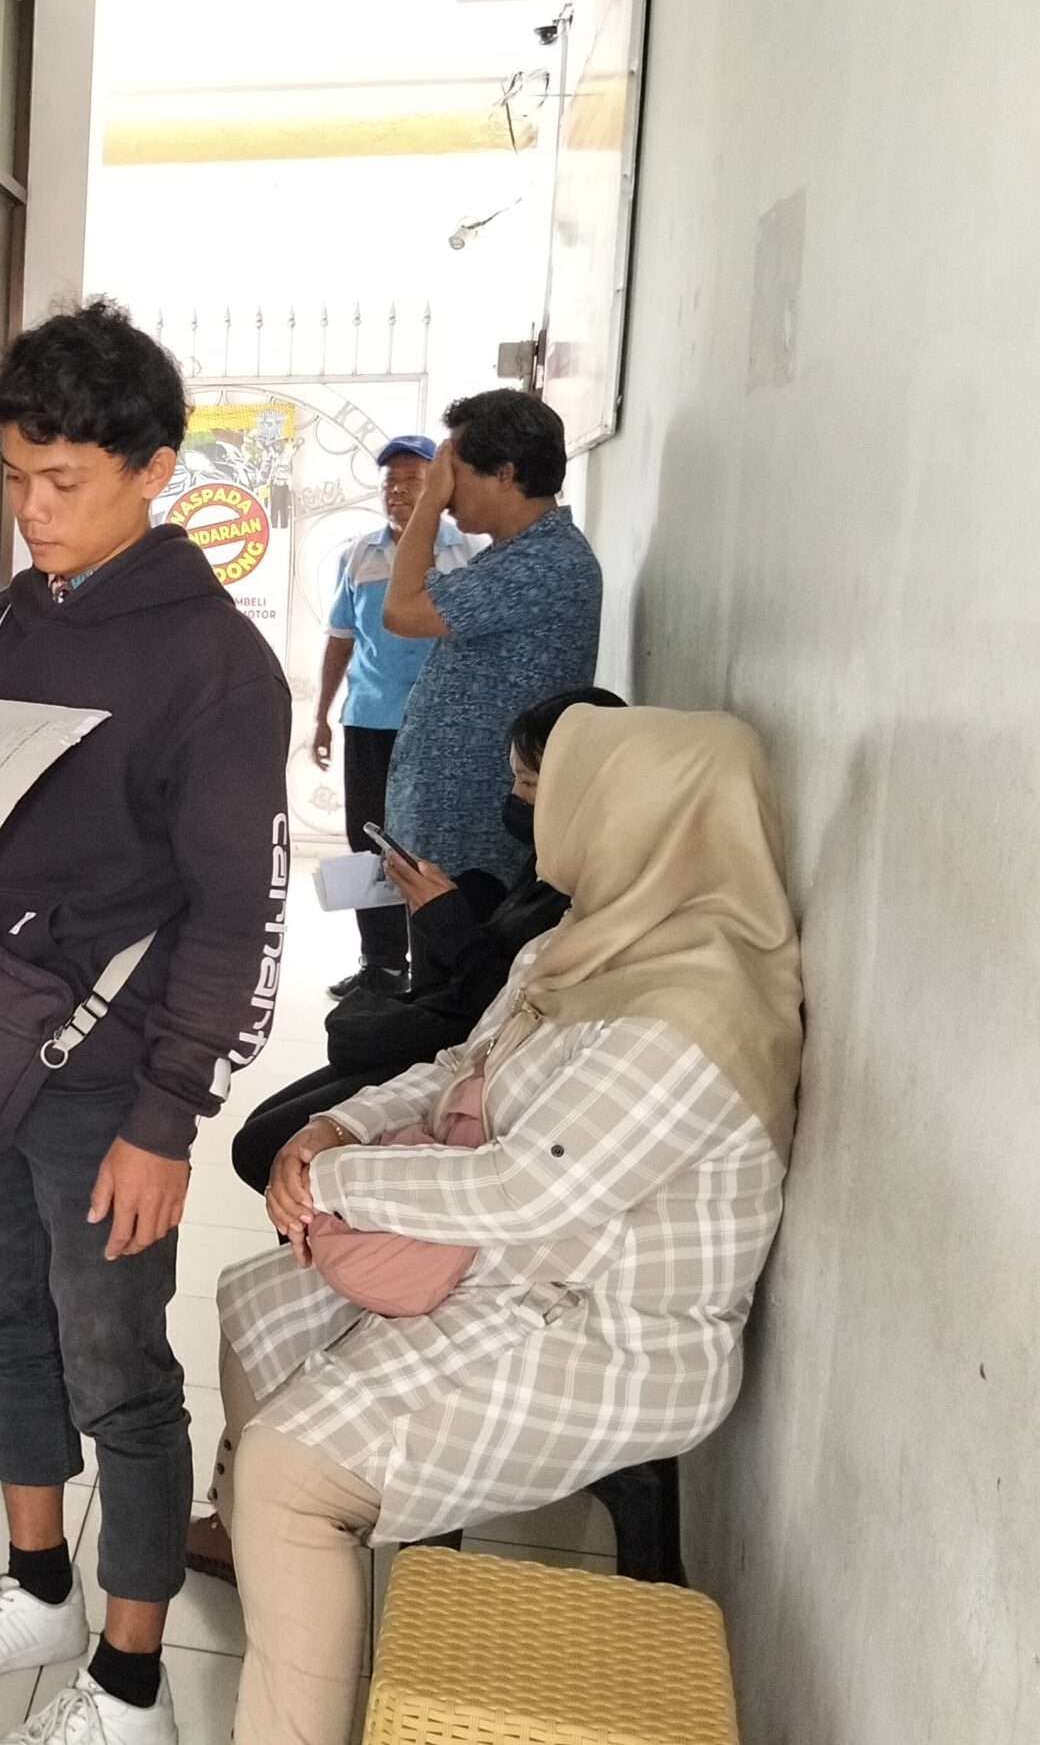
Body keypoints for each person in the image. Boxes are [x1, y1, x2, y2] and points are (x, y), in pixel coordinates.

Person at [0, 302, 292, 1745]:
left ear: (154, 470)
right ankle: (38, 1585)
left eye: (64, 481)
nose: (33, 510)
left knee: (119, 1370)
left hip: (111, 1082)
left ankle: (130, 1683)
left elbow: (235, 916)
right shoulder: (2, 622)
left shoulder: (217, 664)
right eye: (15, 478)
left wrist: (167, 1120)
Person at [212, 705, 803, 1745]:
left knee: (288, 1476)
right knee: (256, 1299)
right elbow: (459, 1064)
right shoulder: (589, 942)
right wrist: (338, 1124)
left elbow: (530, 1191)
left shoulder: (699, 1011)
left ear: (637, 815)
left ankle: (289, 1578)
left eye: (567, 791)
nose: (544, 812)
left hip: (603, 1327)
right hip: (512, 1263)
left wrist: (335, 1179)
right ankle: (275, 1561)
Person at [231, 685, 627, 1201]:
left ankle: (333, 1238)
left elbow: (511, 1011)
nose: (516, 797)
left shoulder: (596, 893)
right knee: (265, 1132)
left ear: (582, 783)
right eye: (514, 778)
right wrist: (452, 906)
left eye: (529, 781)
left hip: (481, 1063)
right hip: (450, 1038)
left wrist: (449, 923)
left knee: (266, 1146)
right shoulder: (552, 857)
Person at [379, 389, 602, 883]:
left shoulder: (543, 562)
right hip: (463, 835)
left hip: (482, 845)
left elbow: (401, 610)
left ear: (503, 473)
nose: (445, 491)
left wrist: (427, 505)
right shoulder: (515, 556)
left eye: (452, 474)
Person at [312, 434, 477, 997]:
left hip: (437, 724)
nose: (398, 490)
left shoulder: (467, 553)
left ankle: (436, 962)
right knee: (368, 841)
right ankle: (381, 963)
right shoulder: (359, 555)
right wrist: (321, 716)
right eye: (390, 482)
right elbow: (341, 639)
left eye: (412, 479)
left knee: (429, 841)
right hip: (368, 718)